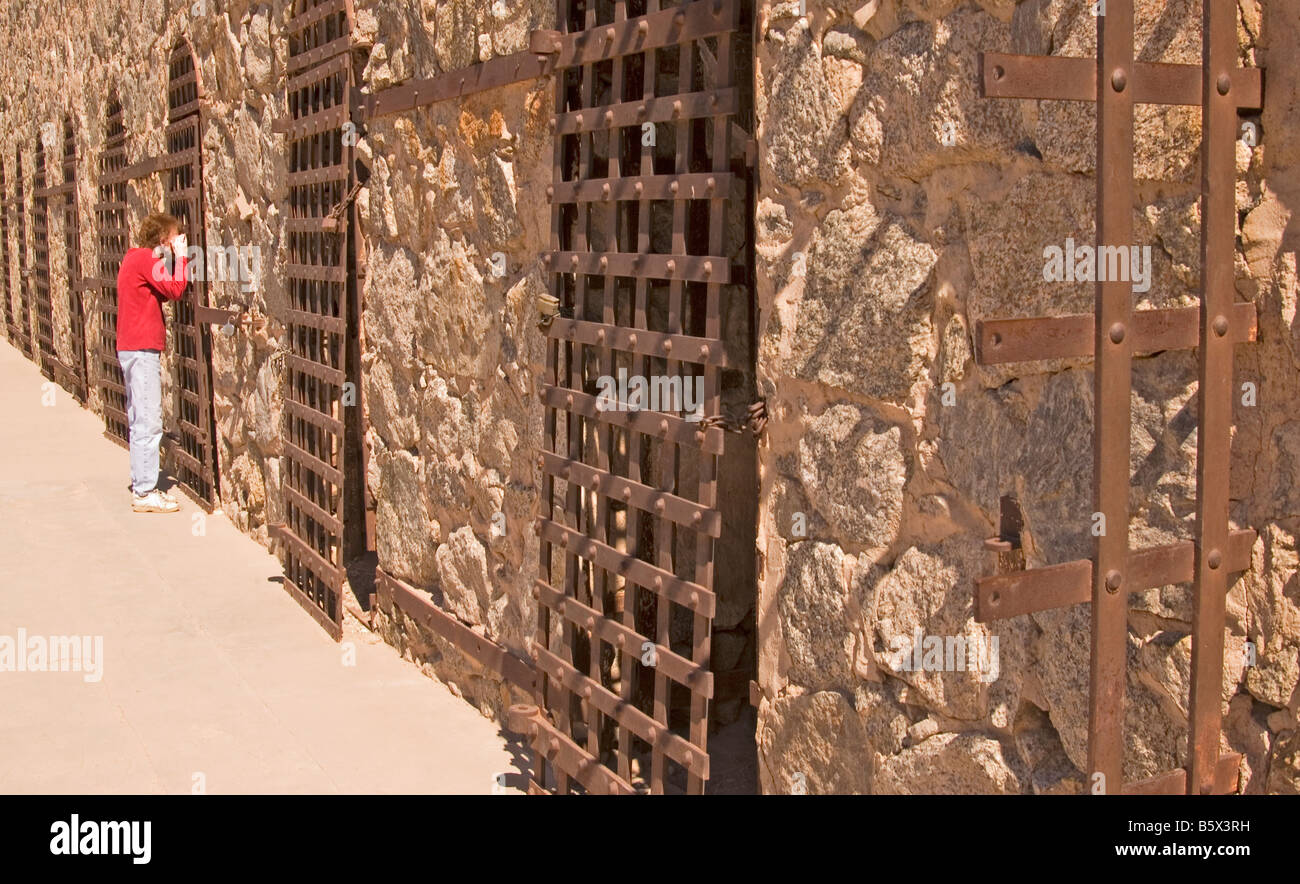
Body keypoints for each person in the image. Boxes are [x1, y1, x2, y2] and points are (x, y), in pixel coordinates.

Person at [116, 212, 189, 513]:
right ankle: (145, 492)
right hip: (142, 348)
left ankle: (142, 484)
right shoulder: (146, 259)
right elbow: (175, 289)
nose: (177, 242)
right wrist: (182, 258)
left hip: (131, 346)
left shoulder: (133, 259)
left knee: (138, 418)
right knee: (148, 419)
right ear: (162, 240)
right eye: (174, 238)